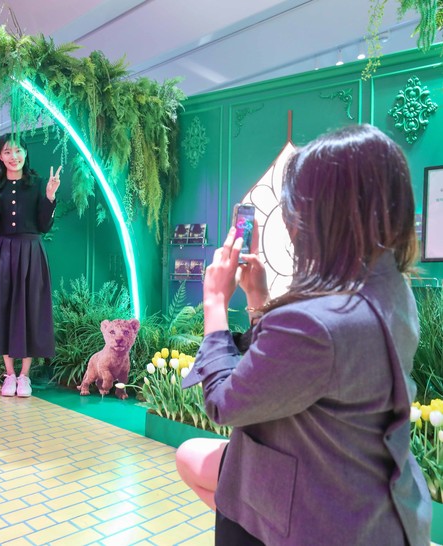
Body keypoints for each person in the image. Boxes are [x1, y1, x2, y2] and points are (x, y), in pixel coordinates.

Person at [175, 124, 431, 545]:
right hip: (378, 498)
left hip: (325, 517)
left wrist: (214, 302)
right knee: (195, 458)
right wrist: (258, 299)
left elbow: (224, 403)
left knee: (198, 460)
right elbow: (294, 371)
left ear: (319, 216)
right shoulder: (393, 290)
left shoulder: (318, 321)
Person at [0, 133, 61, 398]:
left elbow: (44, 225)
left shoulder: (38, 184)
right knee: (4, 309)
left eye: (18, 150)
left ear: (25, 153)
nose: (14, 156)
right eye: (8, 152)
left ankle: (25, 377)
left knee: (30, 309)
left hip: (31, 253)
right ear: (0, 156)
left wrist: (50, 197)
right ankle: (9, 375)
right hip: (4, 253)